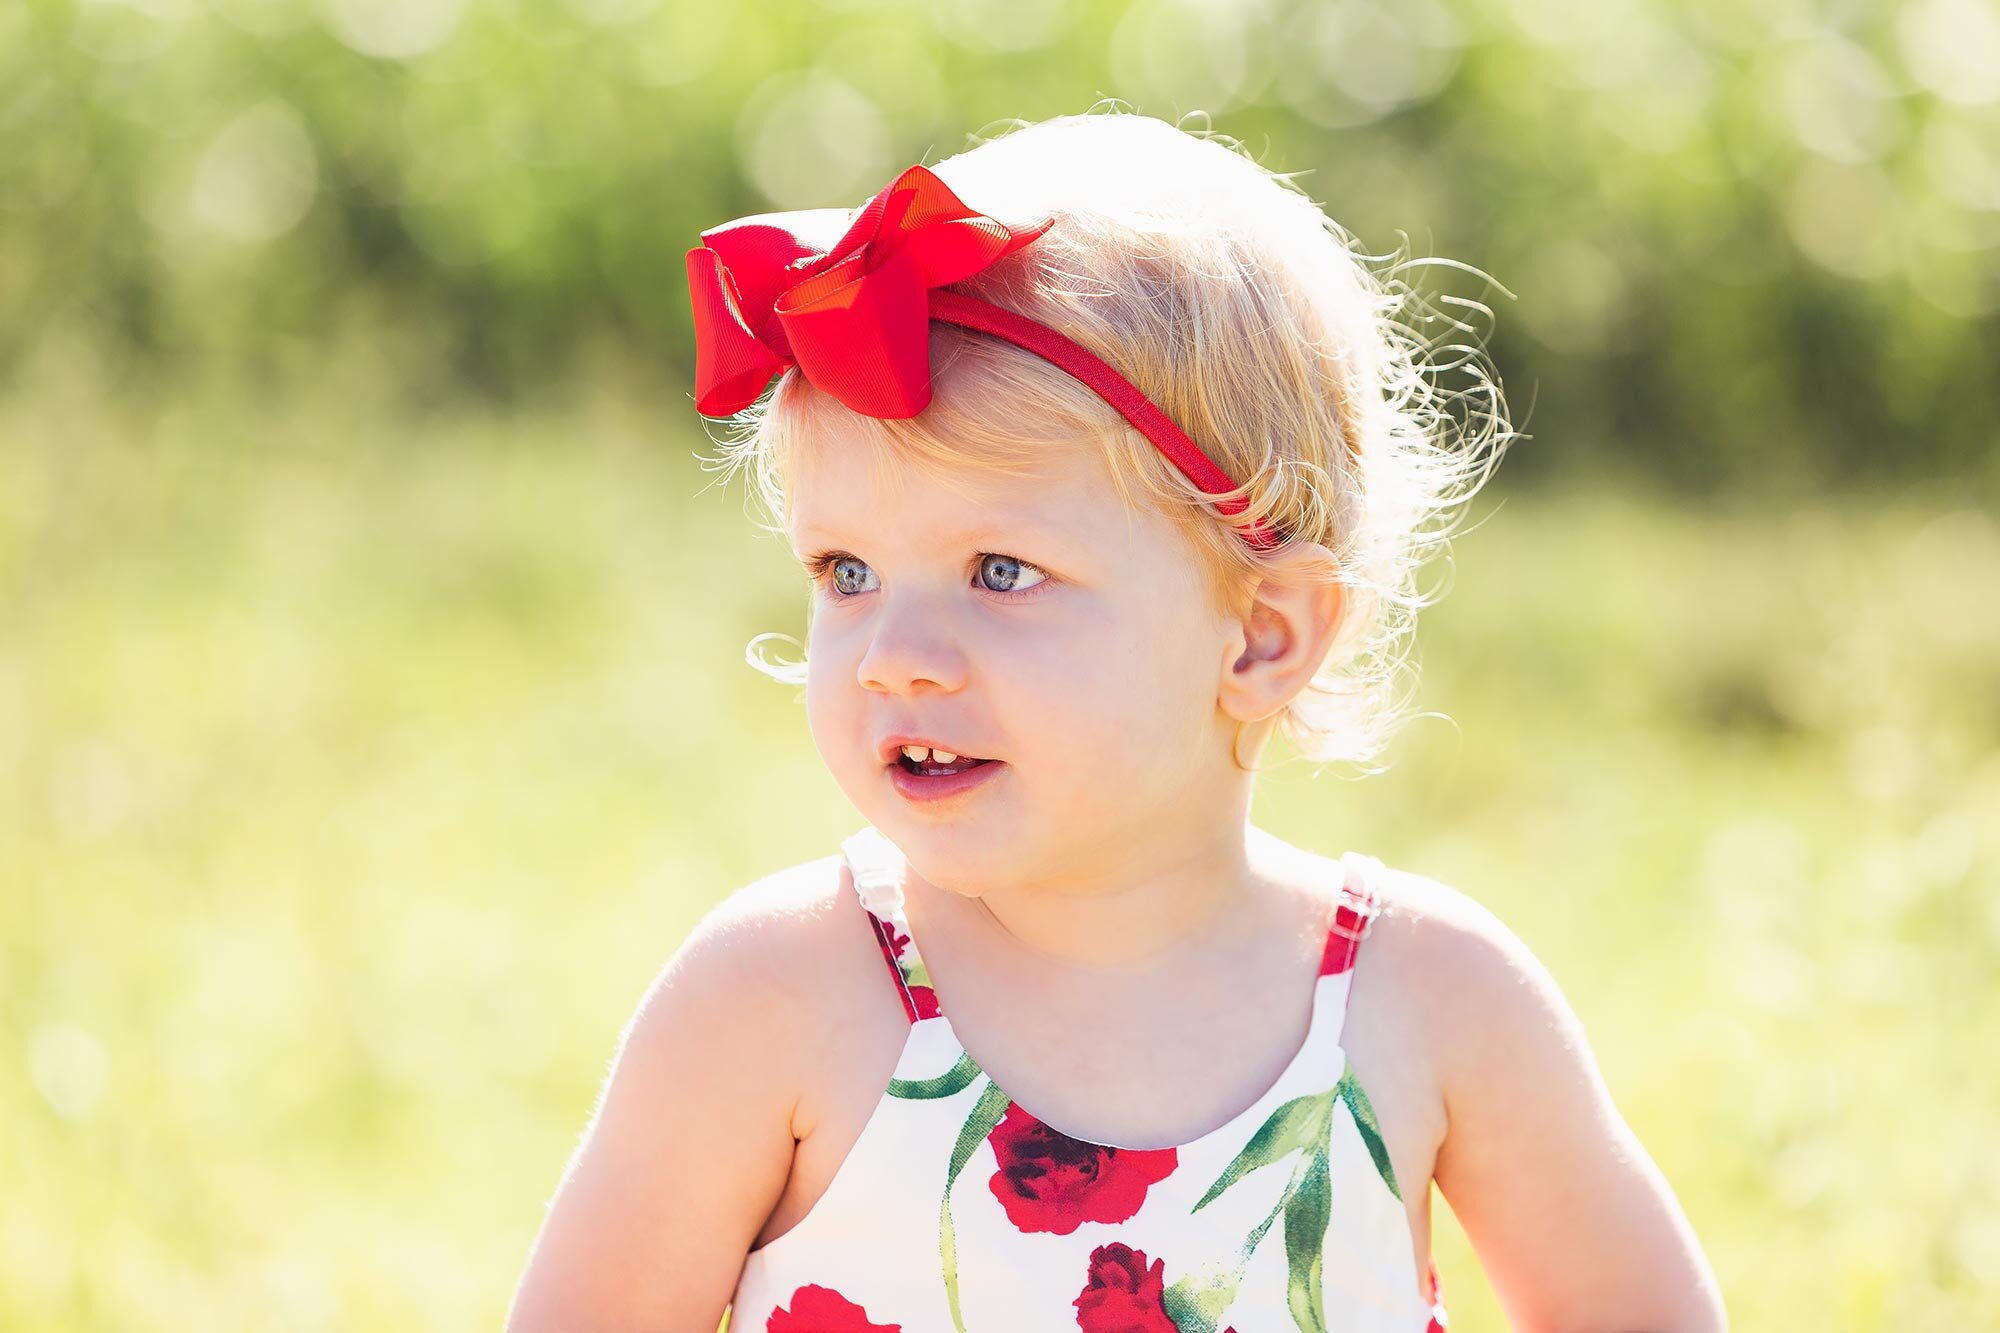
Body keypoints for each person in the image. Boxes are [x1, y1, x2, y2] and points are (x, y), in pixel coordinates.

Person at [505, 108, 1727, 1332]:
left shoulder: (1426, 1000)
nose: (896, 660)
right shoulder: (780, 997)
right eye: (845, 571)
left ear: (1261, 633)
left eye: (998, 571)